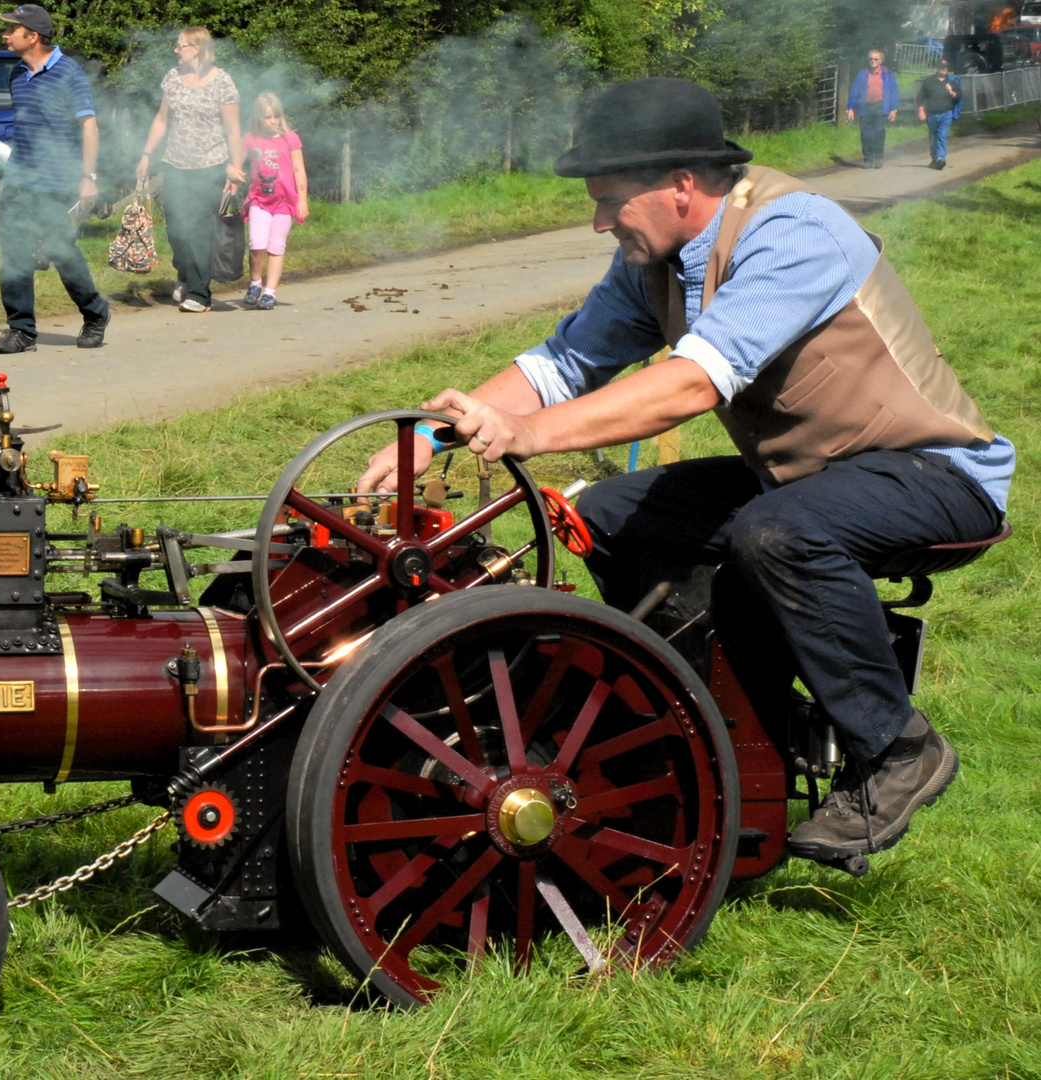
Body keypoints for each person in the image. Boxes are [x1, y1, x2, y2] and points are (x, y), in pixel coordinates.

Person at [359, 78, 1014, 868]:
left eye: (610, 200)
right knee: (601, 512)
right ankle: (699, 727)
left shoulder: (794, 232)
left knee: (774, 534)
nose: (598, 220)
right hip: (806, 481)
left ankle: (897, 747)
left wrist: (527, 434)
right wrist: (428, 436)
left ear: (679, 185)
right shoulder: (651, 261)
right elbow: (564, 361)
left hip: (936, 475)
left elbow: (690, 384)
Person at [0, 4, 110, 353]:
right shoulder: (16, 74)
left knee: (61, 252)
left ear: (32, 36)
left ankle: (95, 313)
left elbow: (88, 127)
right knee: (14, 253)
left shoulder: (68, 73)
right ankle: (21, 329)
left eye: (12, 29)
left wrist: (88, 177)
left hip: (57, 181)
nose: (5, 34)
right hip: (19, 179)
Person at [135, 27, 246, 313]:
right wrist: (146, 154)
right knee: (176, 229)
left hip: (211, 166)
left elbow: (233, 131)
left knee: (196, 227)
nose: (175, 50)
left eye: (179, 46)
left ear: (195, 49)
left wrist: (236, 167)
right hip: (175, 165)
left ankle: (199, 294)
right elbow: (162, 120)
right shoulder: (173, 78)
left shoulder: (223, 82)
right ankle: (185, 274)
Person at [241, 92, 308, 311]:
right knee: (256, 244)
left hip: (285, 202)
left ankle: (270, 292)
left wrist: (302, 201)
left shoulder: (290, 138)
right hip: (259, 199)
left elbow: (299, 170)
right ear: (259, 117)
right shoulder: (250, 138)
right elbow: (236, 160)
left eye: (276, 116)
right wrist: (231, 173)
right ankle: (255, 284)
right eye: (268, 117)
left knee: (276, 248)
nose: (273, 121)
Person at [846, 50, 899, 168]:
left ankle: (879, 158)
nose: (873, 61)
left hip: (881, 108)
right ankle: (868, 159)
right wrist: (850, 108)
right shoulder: (862, 74)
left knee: (879, 133)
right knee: (866, 134)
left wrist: (893, 109)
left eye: (875, 59)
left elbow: (894, 91)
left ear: (881, 61)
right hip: (865, 108)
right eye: (871, 59)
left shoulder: (887, 73)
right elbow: (854, 91)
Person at [916, 58, 962, 170]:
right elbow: (920, 97)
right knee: (933, 137)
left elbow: (959, 95)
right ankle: (934, 158)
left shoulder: (952, 81)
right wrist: (921, 110)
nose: (944, 69)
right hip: (932, 114)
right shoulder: (929, 81)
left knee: (942, 135)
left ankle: (941, 159)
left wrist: (951, 92)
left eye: (946, 67)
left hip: (946, 113)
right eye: (942, 67)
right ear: (936, 68)